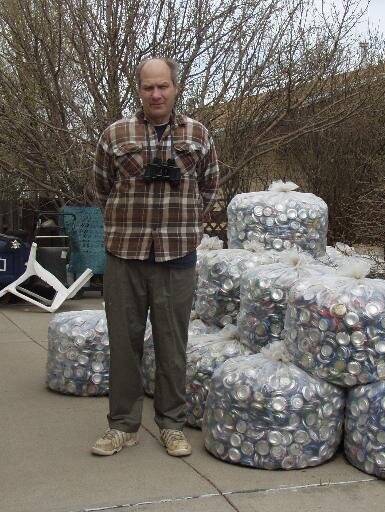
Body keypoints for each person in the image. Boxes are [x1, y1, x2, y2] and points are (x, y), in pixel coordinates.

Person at [89, 57, 219, 457]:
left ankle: (172, 424)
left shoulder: (198, 134)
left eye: (163, 86)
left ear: (176, 88)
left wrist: (187, 225)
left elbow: (211, 188)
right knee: (123, 342)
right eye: (148, 88)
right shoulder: (116, 134)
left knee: (172, 343)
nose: (156, 94)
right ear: (139, 91)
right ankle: (123, 426)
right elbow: (99, 188)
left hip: (177, 255)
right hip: (125, 255)